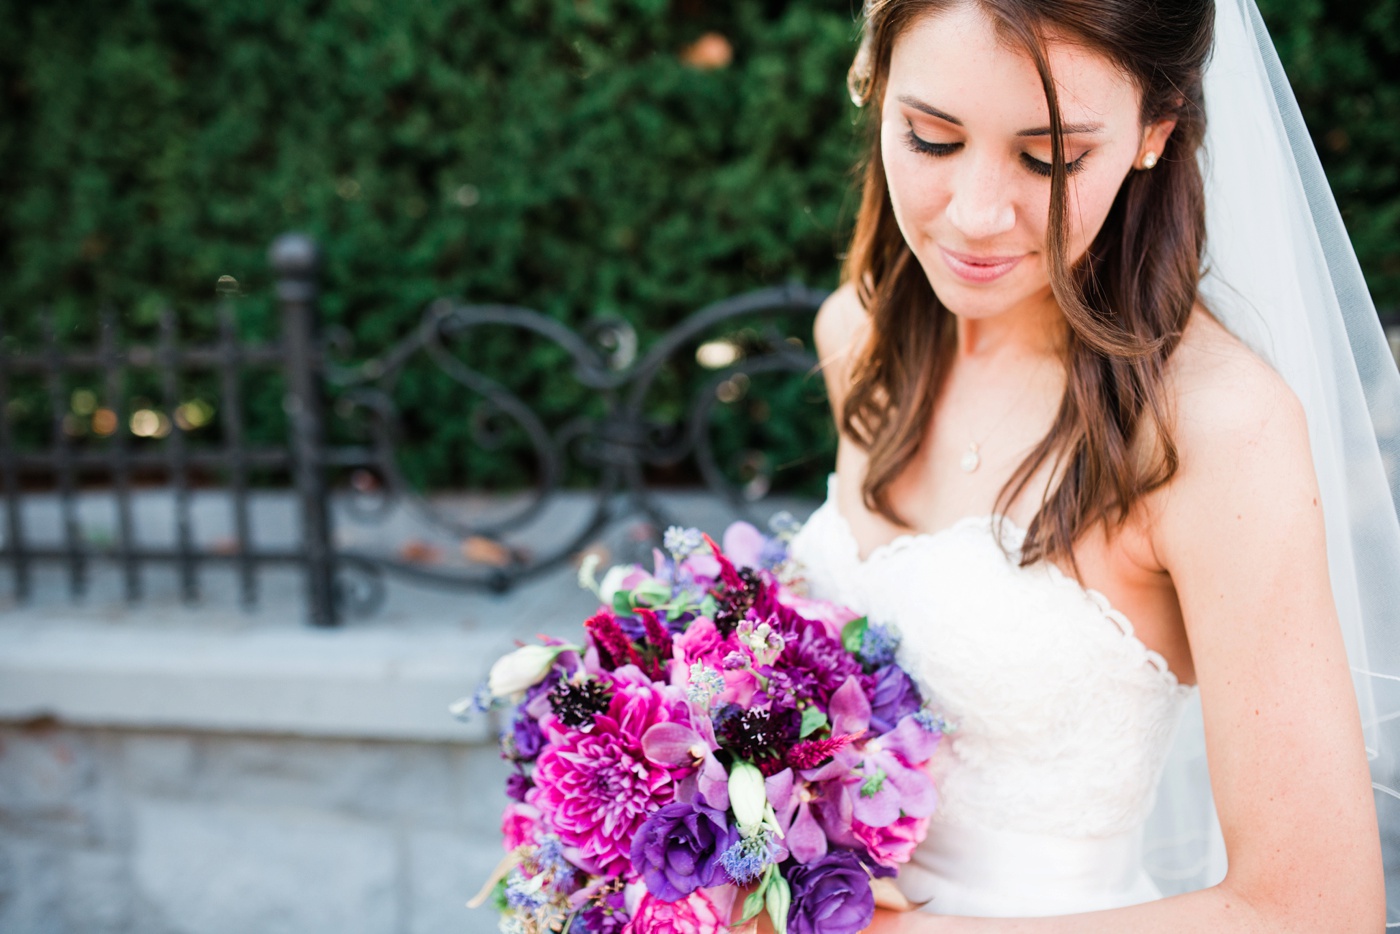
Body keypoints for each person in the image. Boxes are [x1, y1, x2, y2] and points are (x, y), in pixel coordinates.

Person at [784, 0, 1397, 928]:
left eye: (1052, 158)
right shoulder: (858, 336)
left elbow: (1315, 910)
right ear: (875, 85)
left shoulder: (1214, 430)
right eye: (930, 137)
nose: (979, 215)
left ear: (1157, 130)